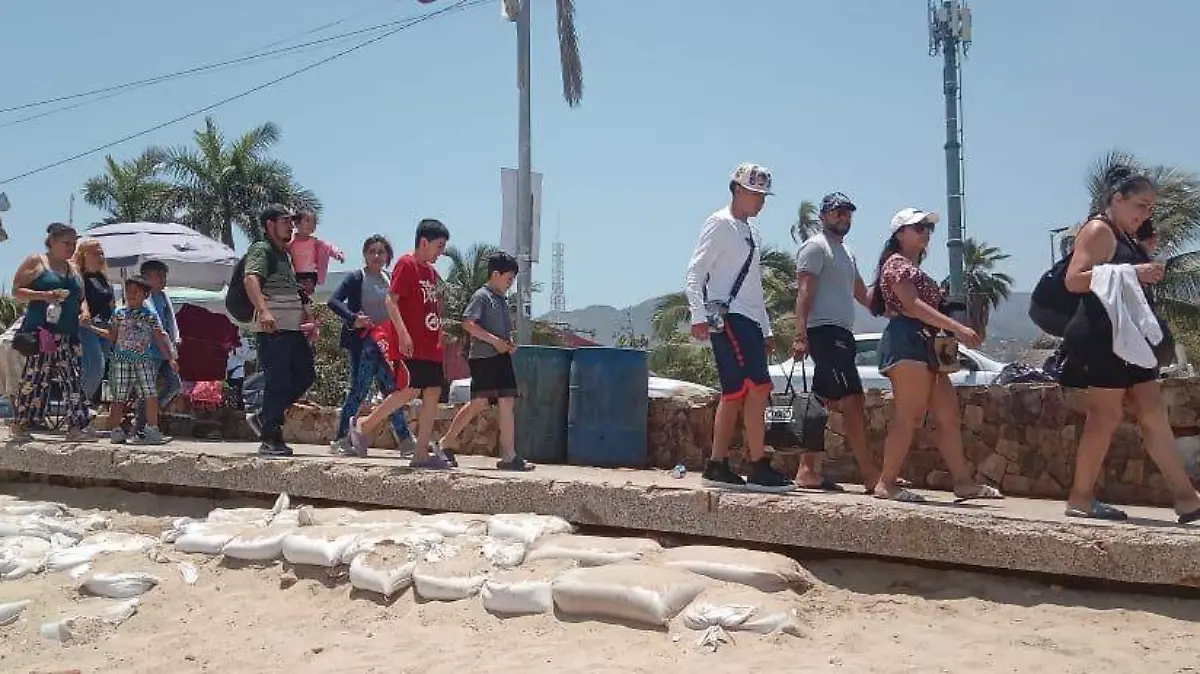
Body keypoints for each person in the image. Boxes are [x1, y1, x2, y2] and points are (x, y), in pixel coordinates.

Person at [1060, 166, 1200, 523]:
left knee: (1152, 415)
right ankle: (1080, 498)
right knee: (1104, 418)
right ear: (1116, 199)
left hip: (1127, 340)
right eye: (1140, 204)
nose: (1145, 214)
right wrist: (1133, 272)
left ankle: (1186, 498)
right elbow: (1074, 280)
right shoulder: (1098, 230)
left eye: (1151, 207)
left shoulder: (1124, 236)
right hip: (1105, 338)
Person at [869, 207, 1001, 502]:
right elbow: (913, 306)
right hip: (907, 341)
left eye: (928, 227)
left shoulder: (910, 268)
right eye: (918, 227)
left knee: (948, 415)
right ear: (900, 233)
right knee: (909, 416)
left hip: (927, 344)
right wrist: (957, 327)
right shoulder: (896, 265)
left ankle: (963, 483)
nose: (926, 232)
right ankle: (886, 483)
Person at [684, 163, 794, 492]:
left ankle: (718, 464)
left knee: (736, 393)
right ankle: (757, 465)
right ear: (737, 190)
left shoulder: (751, 233)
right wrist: (697, 314)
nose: (761, 201)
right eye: (755, 194)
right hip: (729, 316)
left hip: (749, 319)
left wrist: (766, 328)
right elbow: (695, 271)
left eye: (763, 195)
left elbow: (755, 287)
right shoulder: (720, 223)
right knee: (755, 388)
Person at [792, 192, 888, 492]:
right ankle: (872, 476)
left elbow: (862, 294)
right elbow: (804, 292)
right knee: (853, 401)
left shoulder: (848, 253)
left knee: (822, 401)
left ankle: (807, 470)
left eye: (847, 212)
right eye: (837, 212)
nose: (843, 216)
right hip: (826, 333)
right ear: (823, 216)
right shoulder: (815, 247)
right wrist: (800, 334)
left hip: (843, 334)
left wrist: (896, 307)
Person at [349, 219, 452, 469]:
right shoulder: (406, 264)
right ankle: (363, 425)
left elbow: (435, 302)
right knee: (408, 390)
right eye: (439, 246)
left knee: (432, 391)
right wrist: (404, 334)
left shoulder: (431, 272)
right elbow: (390, 301)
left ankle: (420, 453)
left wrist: (440, 327)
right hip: (412, 344)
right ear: (424, 242)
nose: (441, 252)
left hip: (431, 344)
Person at [433, 251, 532, 471]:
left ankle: (509, 455)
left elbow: (499, 330)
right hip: (483, 358)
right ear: (495, 274)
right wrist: (494, 341)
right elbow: (468, 324)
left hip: (501, 357)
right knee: (479, 402)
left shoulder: (501, 300)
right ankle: (445, 442)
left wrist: (508, 343)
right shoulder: (481, 296)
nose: (510, 283)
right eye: (509, 278)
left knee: (507, 401)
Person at [328, 235, 416, 456]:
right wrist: (353, 317)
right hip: (364, 344)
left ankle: (405, 441)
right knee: (358, 391)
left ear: (388, 256)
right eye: (372, 251)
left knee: (392, 391)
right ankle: (341, 439)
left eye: (381, 252)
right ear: (365, 254)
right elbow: (334, 301)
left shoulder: (390, 279)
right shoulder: (357, 278)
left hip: (387, 346)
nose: (376, 256)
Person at [244, 204, 316, 458]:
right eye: (285, 221)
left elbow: (290, 287)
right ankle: (270, 438)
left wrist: (306, 312)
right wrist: (263, 310)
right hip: (272, 328)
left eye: (291, 221)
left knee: (306, 374)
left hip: (291, 327)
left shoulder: (283, 254)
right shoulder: (262, 250)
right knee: (278, 381)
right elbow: (251, 278)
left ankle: (264, 416)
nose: (291, 225)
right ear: (270, 225)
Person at [9, 223, 92, 442]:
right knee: (35, 379)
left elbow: (80, 297)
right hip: (42, 332)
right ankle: (20, 423)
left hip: (68, 333)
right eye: (66, 243)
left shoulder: (72, 268)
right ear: (52, 242)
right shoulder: (37, 261)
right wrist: (45, 295)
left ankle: (77, 427)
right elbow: (17, 291)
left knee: (72, 379)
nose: (71, 248)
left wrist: (84, 312)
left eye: (74, 244)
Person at [90, 276, 175, 445]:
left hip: (144, 360)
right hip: (121, 361)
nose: (131, 295)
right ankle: (116, 430)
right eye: (128, 291)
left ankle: (152, 429)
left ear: (145, 295)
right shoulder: (119, 313)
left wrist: (171, 358)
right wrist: (91, 327)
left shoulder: (150, 315)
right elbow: (112, 336)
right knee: (118, 397)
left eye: (136, 292)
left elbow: (159, 338)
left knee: (150, 395)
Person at [133, 260, 182, 437]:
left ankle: (153, 411)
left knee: (175, 385)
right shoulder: (142, 299)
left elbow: (170, 322)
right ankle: (140, 426)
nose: (163, 280)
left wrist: (175, 340)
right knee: (147, 390)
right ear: (147, 278)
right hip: (148, 351)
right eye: (159, 276)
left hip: (164, 350)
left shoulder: (164, 297)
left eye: (164, 276)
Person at [73, 238, 114, 405]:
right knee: (95, 368)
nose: (101, 256)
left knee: (98, 369)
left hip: (104, 329)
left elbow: (110, 304)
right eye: (96, 253)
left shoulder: (103, 278)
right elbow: (79, 299)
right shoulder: (79, 276)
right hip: (86, 327)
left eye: (102, 252)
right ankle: (79, 406)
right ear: (84, 255)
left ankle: (82, 406)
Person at [289, 209, 345, 286]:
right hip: (294, 274)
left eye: (314, 223)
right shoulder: (291, 242)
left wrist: (338, 254)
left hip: (310, 275)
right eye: (307, 221)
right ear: (296, 224)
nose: (311, 225)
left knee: (304, 290)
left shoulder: (315, 242)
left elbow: (329, 247)